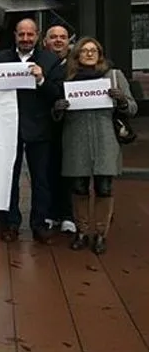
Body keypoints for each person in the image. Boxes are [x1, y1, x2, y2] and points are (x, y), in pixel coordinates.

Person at [52, 38, 137, 255]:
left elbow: (133, 108)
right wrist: (58, 108)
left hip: (105, 139)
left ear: (99, 54)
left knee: (104, 188)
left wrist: (122, 101)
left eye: (94, 51)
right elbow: (55, 116)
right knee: (79, 187)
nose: (89, 54)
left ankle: (100, 234)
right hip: (76, 139)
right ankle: (81, 231)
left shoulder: (114, 76)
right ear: (77, 55)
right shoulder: (67, 79)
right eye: (84, 51)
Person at [0, 19, 63, 244]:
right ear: (15, 35)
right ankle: (10, 223)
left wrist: (41, 79)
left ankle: (39, 224)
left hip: (39, 128)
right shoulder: (0, 59)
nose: (25, 39)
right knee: (8, 179)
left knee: (41, 179)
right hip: (7, 128)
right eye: (21, 34)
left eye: (30, 35)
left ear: (37, 36)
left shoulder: (50, 60)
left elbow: (58, 94)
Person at [43, 25, 75, 234]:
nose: (58, 40)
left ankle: (67, 215)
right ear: (45, 41)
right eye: (53, 37)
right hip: (44, 124)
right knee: (46, 170)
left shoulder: (77, 65)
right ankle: (49, 213)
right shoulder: (38, 63)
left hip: (71, 125)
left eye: (62, 37)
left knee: (69, 170)